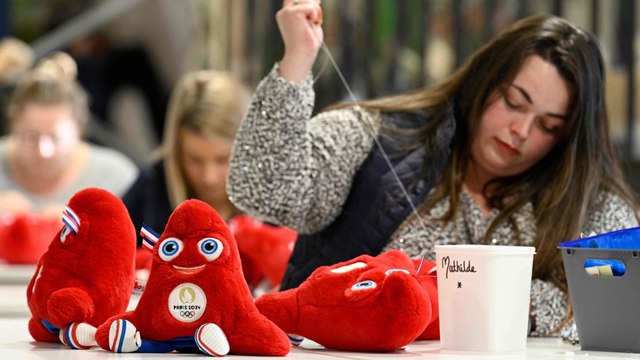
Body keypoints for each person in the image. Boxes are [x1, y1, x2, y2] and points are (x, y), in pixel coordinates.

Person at [226, 1, 638, 341]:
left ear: (569, 139)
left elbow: (618, 300)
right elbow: (262, 189)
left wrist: (452, 300)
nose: (522, 131)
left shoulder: (588, 200)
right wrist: (298, 59)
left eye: (549, 126)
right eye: (513, 101)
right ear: (483, 80)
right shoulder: (377, 138)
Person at [123, 70, 297, 293]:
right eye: (195, 160)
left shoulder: (281, 189)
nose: (209, 177)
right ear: (176, 152)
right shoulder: (154, 184)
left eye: (223, 159)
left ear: (249, 148)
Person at [0, 51, 138, 218]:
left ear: (79, 131)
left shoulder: (115, 177)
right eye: (31, 137)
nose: (43, 151)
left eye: (55, 138)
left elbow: (141, 241)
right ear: (14, 126)